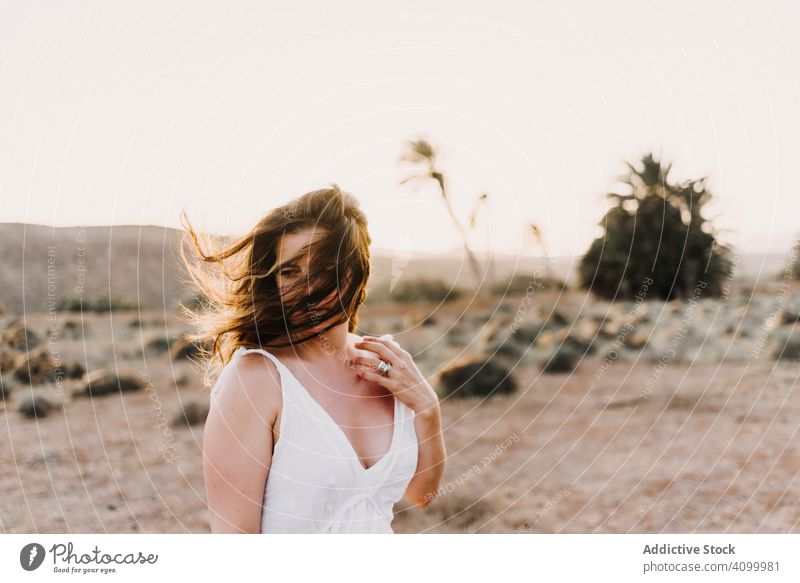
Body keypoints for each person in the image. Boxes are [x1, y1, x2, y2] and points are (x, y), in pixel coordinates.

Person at [178, 184, 446, 533]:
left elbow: (422, 494)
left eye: (321, 269)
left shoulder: (387, 363)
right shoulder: (256, 380)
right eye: (289, 272)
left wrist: (428, 411)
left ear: (356, 271)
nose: (305, 289)